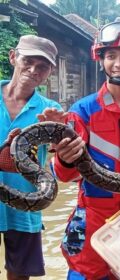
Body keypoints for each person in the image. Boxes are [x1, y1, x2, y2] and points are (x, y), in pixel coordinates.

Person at [51, 20, 120, 279]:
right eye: (111, 56)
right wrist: (63, 158)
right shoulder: (82, 111)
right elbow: (64, 176)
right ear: (101, 60)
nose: (119, 63)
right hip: (93, 216)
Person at [0, 35, 63, 280]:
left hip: (26, 204)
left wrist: (58, 134)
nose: (34, 69)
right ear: (14, 57)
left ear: (49, 72)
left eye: (43, 66)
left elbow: (61, 156)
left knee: (19, 275)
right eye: (28, 60)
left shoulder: (50, 109)